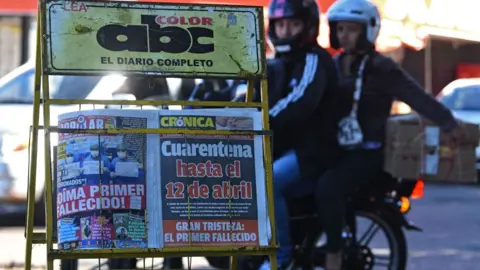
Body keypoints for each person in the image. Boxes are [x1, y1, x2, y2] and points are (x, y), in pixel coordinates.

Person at [315, 1, 467, 269]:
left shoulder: (381, 67)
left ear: (368, 31)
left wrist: (448, 122)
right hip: (337, 148)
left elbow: (416, 96)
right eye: (340, 30)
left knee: (329, 187)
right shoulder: (333, 65)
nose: (344, 36)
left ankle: (335, 252)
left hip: (369, 152)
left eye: (351, 29)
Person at [255, 0, 339, 269]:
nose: (286, 30)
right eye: (280, 24)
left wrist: (263, 119)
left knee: (269, 182)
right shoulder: (277, 62)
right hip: (284, 147)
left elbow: (301, 99)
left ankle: (281, 257)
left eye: (293, 23)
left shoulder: (314, 59)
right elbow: (249, 95)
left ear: (308, 25)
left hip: (312, 152)